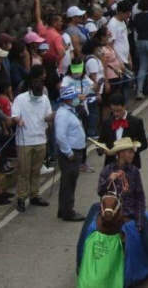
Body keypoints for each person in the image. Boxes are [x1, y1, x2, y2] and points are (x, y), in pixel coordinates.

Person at [11, 66, 54, 213]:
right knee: (24, 171)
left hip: (40, 138)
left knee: (36, 170)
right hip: (25, 140)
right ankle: (22, 198)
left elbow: (47, 115)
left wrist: (52, 116)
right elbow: (14, 114)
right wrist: (19, 121)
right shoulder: (20, 99)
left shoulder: (44, 99)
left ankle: (35, 194)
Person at [54, 85, 88, 222]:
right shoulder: (63, 114)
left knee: (68, 182)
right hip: (71, 153)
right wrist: (69, 153)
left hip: (76, 150)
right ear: (67, 100)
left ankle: (63, 209)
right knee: (69, 182)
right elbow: (60, 136)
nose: (76, 99)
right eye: (74, 97)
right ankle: (68, 212)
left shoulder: (71, 111)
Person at [97, 93, 148, 169]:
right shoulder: (107, 123)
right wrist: (102, 150)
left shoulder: (136, 122)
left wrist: (132, 149)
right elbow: (100, 142)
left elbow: (144, 143)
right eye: (113, 111)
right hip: (111, 165)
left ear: (125, 106)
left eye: (118, 110)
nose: (116, 114)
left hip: (131, 165)